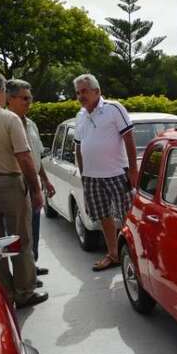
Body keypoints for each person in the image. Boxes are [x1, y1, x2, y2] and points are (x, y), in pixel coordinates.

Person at [0, 71, 47, 308]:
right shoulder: (8, 118)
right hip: (7, 182)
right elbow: (24, 157)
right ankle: (24, 292)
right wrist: (36, 190)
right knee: (20, 239)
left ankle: (4, 292)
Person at [72, 74, 138, 271]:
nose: (80, 96)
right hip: (92, 178)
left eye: (84, 91)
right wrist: (84, 176)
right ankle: (114, 255)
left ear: (97, 91)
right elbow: (78, 147)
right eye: (77, 93)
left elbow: (129, 139)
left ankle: (134, 256)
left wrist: (133, 170)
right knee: (104, 217)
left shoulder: (113, 108)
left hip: (117, 174)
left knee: (127, 217)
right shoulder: (80, 115)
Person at [6, 79, 56, 278]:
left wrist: (45, 180)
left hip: (33, 183)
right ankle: (21, 275)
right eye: (24, 98)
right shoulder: (5, 123)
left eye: (30, 98)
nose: (29, 102)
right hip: (15, 185)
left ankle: (31, 267)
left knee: (33, 228)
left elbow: (36, 156)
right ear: (9, 99)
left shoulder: (32, 124)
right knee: (18, 232)